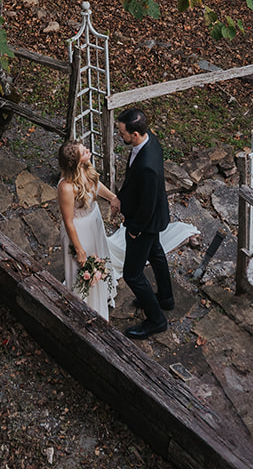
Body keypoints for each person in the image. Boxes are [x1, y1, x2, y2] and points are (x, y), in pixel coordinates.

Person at [116, 106, 173, 339]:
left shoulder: (147, 166)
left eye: (122, 133)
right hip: (155, 215)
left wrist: (134, 231)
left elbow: (146, 206)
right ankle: (166, 299)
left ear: (136, 134)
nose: (120, 136)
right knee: (156, 253)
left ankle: (156, 320)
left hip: (145, 223)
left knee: (132, 274)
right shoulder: (151, 140)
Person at [57, 139, 120, 320]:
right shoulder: (66, 187)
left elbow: (96, 186)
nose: (88, 150)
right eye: (84, 151)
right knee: (84, 266)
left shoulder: (86, 168)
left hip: (94, 221)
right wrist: (79, 249)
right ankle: (85, 302)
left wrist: (113, 198)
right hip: (79, 229)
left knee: (99, 255)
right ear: (76, 162)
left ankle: (102, 292)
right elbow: (68, 221)